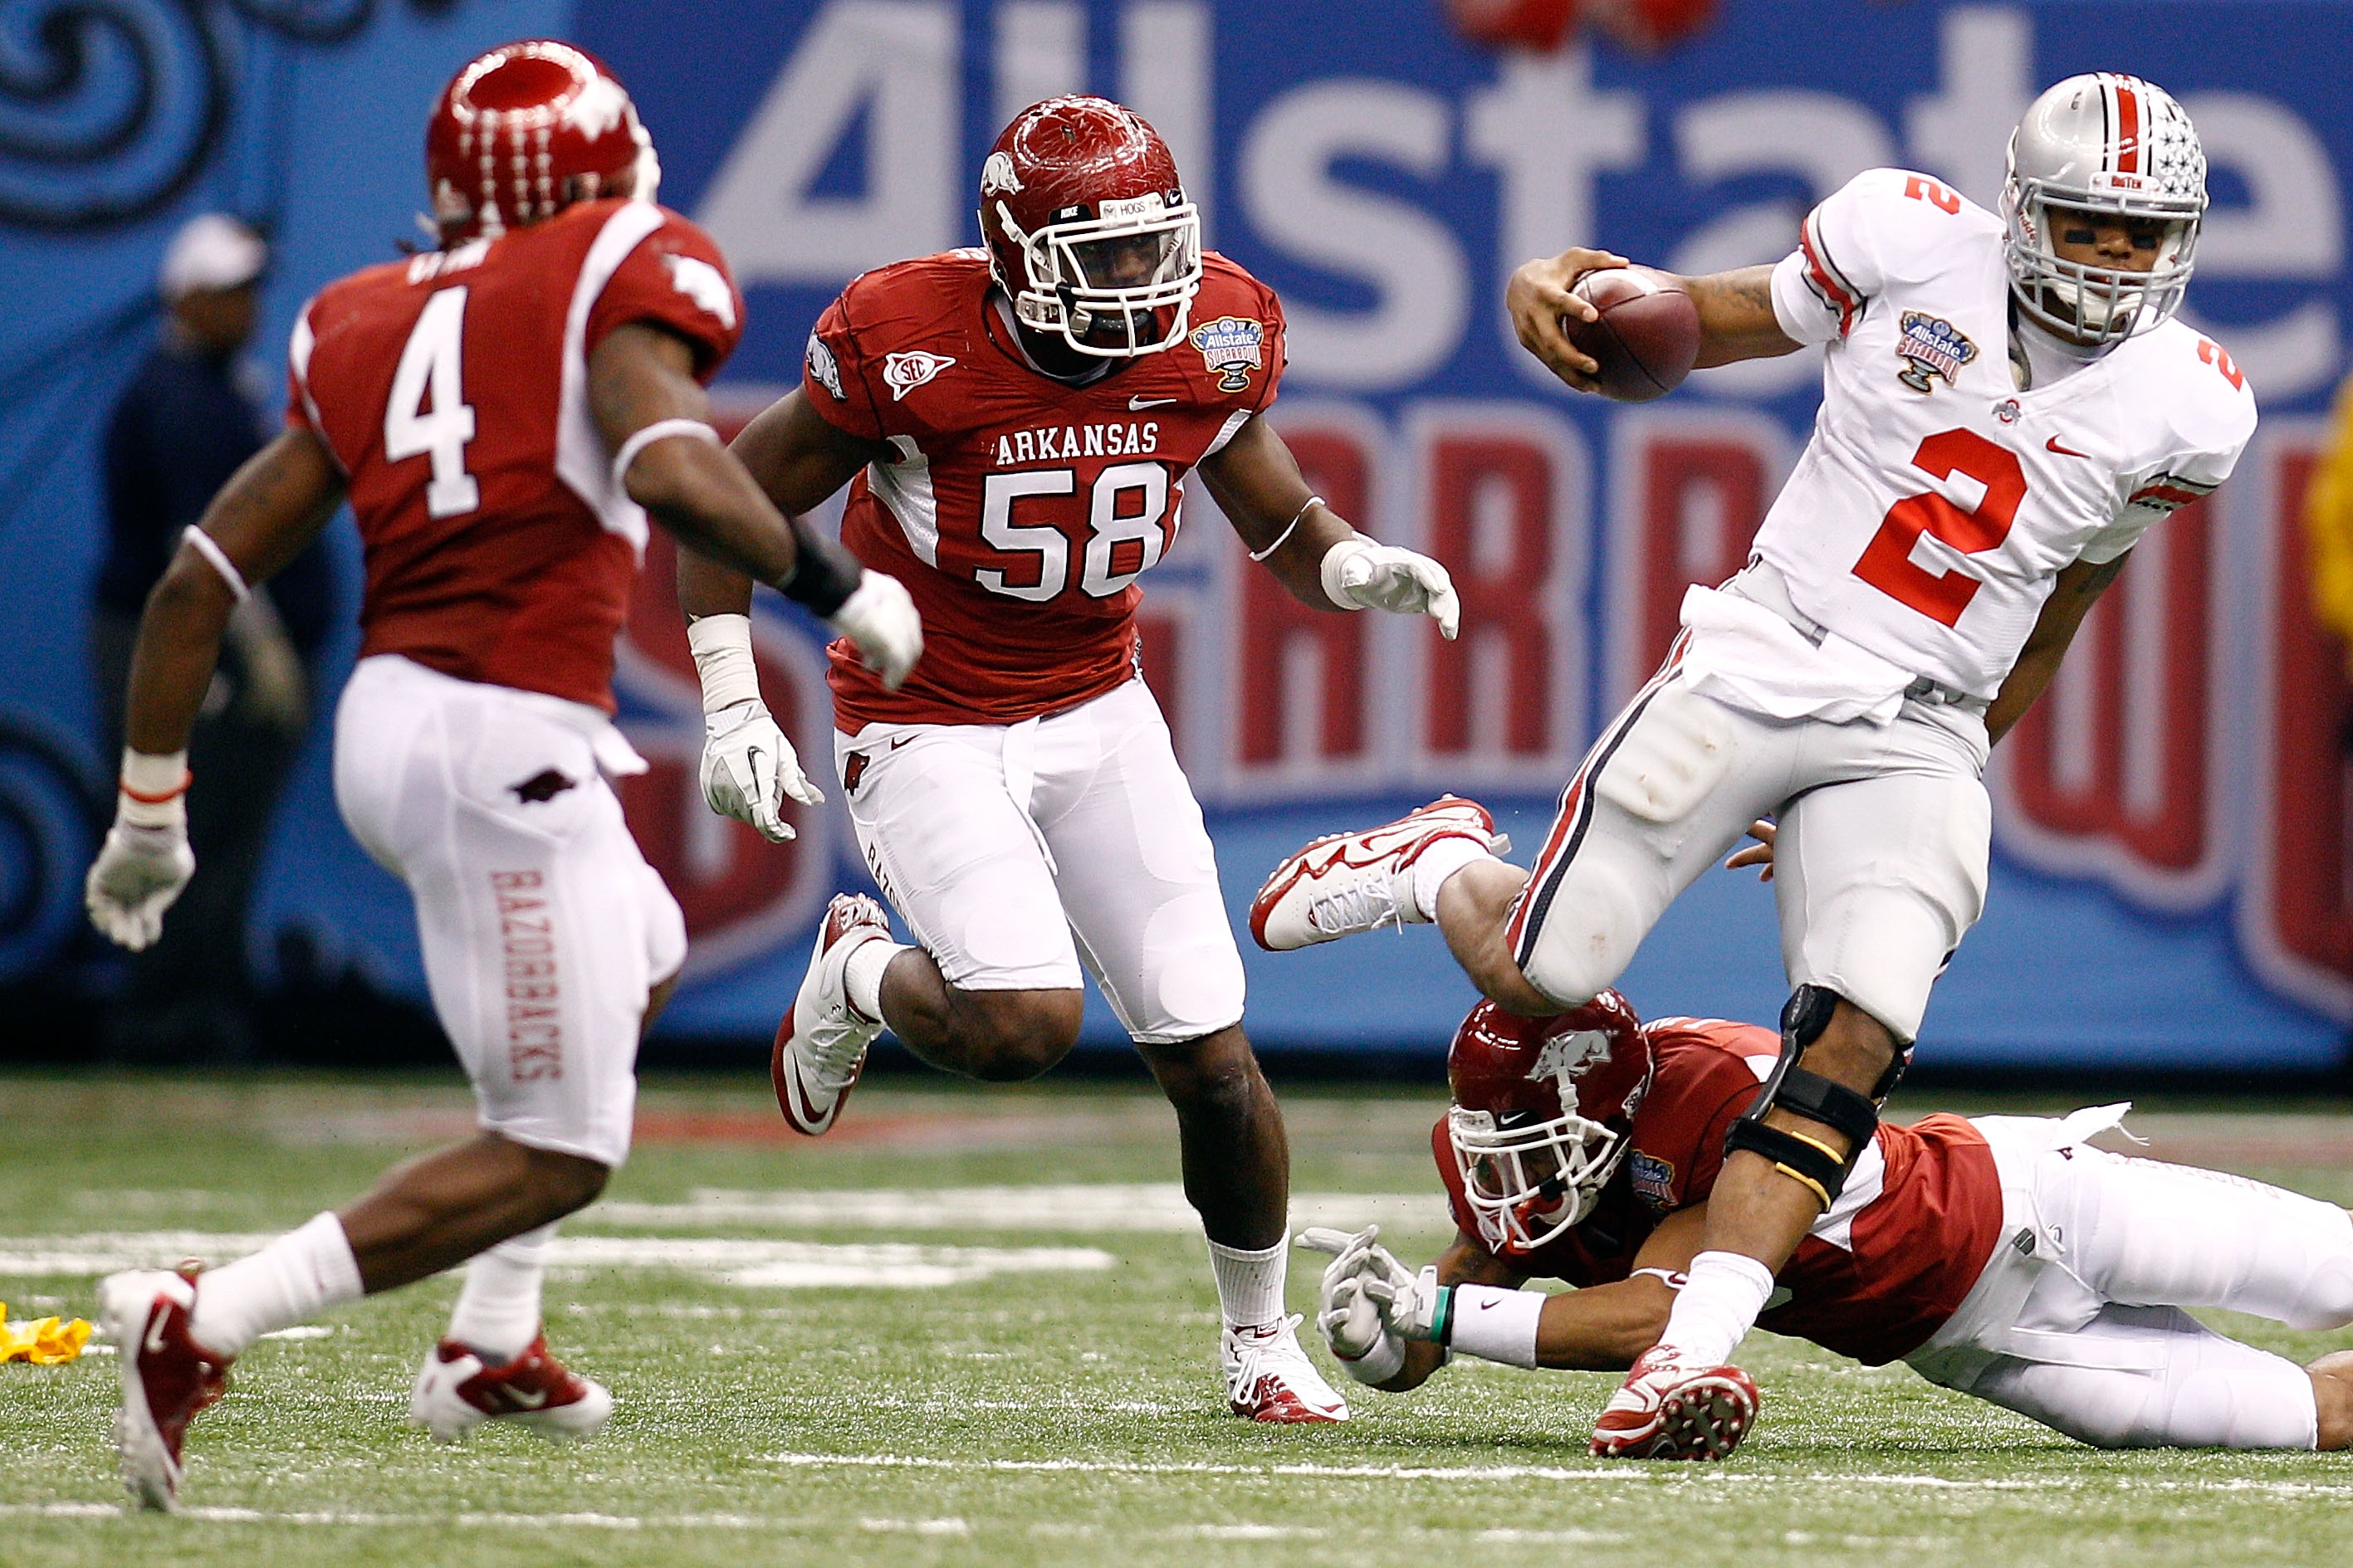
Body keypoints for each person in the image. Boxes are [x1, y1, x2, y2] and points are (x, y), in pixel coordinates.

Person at [1251, 72, 2256, 1455]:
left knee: (1855, 1033)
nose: (2111, 262)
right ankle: (1438, 863)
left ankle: (1686, 1350)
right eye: (2085, 227)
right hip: (1764, 649)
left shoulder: (2187, 404)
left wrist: (1962, 755)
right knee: (1543, 971)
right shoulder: (1902, 236)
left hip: (1919, 722)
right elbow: (1694, 320)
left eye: (2139, 238)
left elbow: (2056, 607)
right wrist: (1567, 287)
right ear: (2023, 209)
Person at [81, 39, 920, 1512]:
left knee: (647, 946)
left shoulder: (355, 315)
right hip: (494, 743)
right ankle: (199, 1316)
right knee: (552, 1148)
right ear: (591, 178)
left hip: (402, 722)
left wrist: (151, 809)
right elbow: (665, 458)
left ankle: (488, 1339)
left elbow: (194, 581)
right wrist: (837, 586)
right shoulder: (618, 264)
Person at [677, 95, 1463, 1424]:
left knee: (1211, 1055)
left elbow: (1272, 512)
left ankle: (1256, 1345)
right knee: (1022, 1030)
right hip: (923, 713)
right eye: (1100, 256)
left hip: (1097, 707)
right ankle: (859, 972)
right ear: (1015, 255)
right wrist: (730, 703)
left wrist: (1350, 561)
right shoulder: (906, 337)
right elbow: (727, 496)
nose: (1140, 282)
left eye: (1154, 247)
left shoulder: (1213, 330)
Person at [1304, 991, 2353, 1455]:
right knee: (2313, 1419)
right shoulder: (1529, 1174)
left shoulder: (1711, 1087)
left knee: (2337, 1275)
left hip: (2045, 1205)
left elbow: (1653, 1322)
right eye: (1496, 1134)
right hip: (1979, 1348)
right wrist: (1379, 1342)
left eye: (1533, 1130)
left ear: (1610, 1100)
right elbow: (1435, 1320)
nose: (1511, 1163)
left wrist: (1442, 1308)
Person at [92, 212, 338, 1061]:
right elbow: (197, 550)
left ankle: (199, 1004)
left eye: (252, 291)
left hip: (213, 643)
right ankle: (169, 1016)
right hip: (199, 648)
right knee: (191, 825)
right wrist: (260, 647)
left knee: (223, 833)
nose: (248, 308)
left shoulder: (216, 386)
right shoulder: (179, 397)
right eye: (231, 292)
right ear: (187, 297)